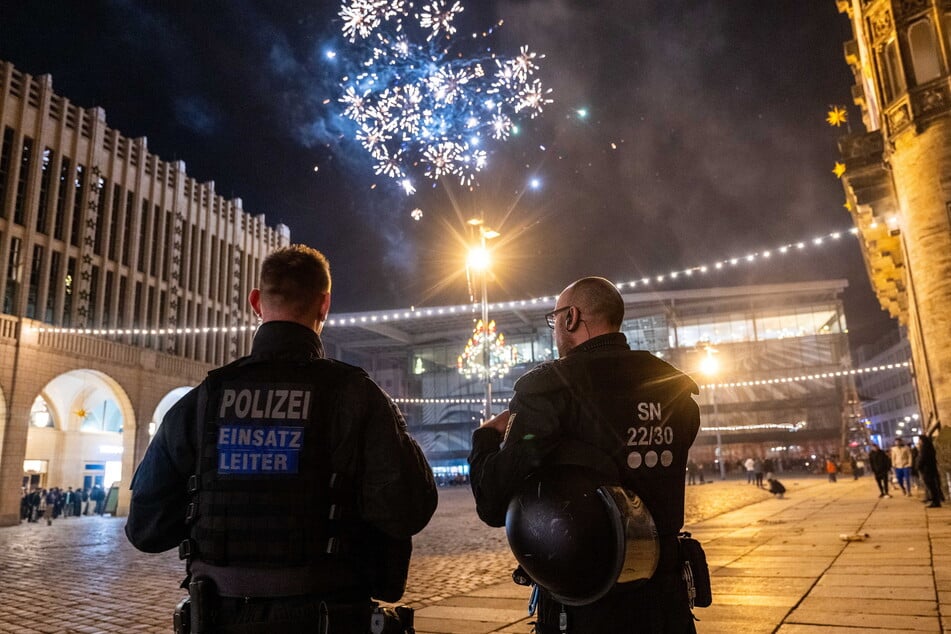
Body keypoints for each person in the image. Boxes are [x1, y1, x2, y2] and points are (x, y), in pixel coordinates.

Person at [125, 245, 438, 633]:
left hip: (218, 617)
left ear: (256, 302)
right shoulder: (356, 395)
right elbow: (408, 509)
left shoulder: (203, 400)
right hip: (326, 615)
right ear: (324, 305)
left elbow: (146, 529)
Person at [469, 277, 702, 633]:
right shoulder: (674, 389)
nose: (555, 329)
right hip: (664, 596)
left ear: (571, 318)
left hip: (585, 601)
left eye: (555, 319)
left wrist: (484, 439)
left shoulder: (550, 388)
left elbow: (492, 501)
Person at [916, 436, 944, 508]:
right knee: (932, 486)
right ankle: (935, 500)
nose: (919, 442)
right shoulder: (929, 448)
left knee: (931, 486)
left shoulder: (925, 449)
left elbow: (922, 459)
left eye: (919, 440)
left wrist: (918, 466)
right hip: (930, 469)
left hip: (927, 470)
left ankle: (935, 501)